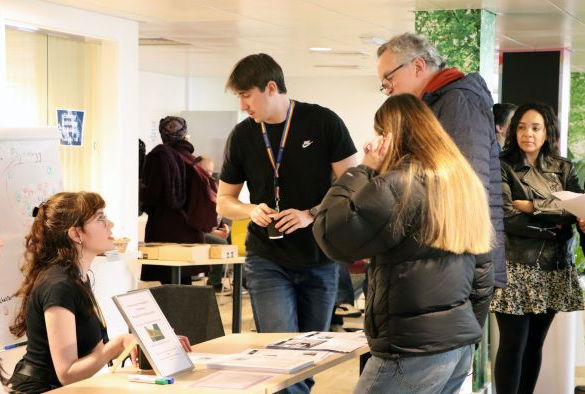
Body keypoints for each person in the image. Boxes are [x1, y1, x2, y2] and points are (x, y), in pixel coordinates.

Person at [313, 94, 494, 393]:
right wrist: (464, 331)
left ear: (391, 135)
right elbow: (483, 273)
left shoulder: (400, 184)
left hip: (411, 349)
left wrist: (363, 168)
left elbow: (332, 235)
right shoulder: (464, 183)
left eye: (379, 132)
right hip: (457, 346)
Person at [218, 53, 357, 393]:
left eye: (246, 95)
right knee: (282, 356)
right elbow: (224, 200)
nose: (243, 105)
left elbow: (353, 185)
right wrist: (250, 210)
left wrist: (310, 214)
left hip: (319, 255)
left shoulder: (323, 122)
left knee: (309, 358)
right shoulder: (242, 136)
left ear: (270, 87)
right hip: (267, 259)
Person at [6, 192, 191, 392]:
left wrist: (139, 341)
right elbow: (67, 374)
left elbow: (89, 356)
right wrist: (118, 344)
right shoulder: (59, 285)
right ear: (76, 234)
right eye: (100, 218)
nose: (110, 224)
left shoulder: (77, 277)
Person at [376, 32, 506, 291]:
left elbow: (466, 182)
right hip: (452, 252)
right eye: (384, 83)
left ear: (418, 66)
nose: (388, 89)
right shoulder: (439, 102)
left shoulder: (458, 101)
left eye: (389, 78)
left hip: (460, 252)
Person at [490, 103, 585, 394]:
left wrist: (532, 206)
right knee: (512, 345)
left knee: (534, 344)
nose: (527, 134)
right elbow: (506, 217)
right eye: (521, 127)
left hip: (554, 267)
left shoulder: (564, 167)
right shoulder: (501, 166)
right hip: (515, 265)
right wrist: (555, 218)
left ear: (547, 132)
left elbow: (578, 209)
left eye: (535, 127)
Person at [140, 116, 218, 284]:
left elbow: (151, 196)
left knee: (168, 284)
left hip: (164, 229)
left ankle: (171, 312)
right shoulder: (192, 160)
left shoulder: (157, 157)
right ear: (185, 134)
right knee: (183, 282)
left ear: (162, 133)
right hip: (190, 230)